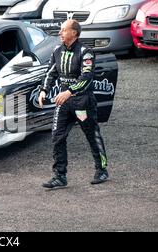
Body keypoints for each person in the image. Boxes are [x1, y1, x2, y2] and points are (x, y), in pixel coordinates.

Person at [38, 19, 109, 189]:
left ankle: (102, 170)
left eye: (63, 30)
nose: (60, 33)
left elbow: (86, 78)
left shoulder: (86, 52)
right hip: (64, 103)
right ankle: (60, 176)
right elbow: (50, 73)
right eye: (60, 30)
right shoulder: (57, 50)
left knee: (92, 135)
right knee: (57, 137)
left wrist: (69, 92)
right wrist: (44, 90)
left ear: (74, 33)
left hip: (82, 102)